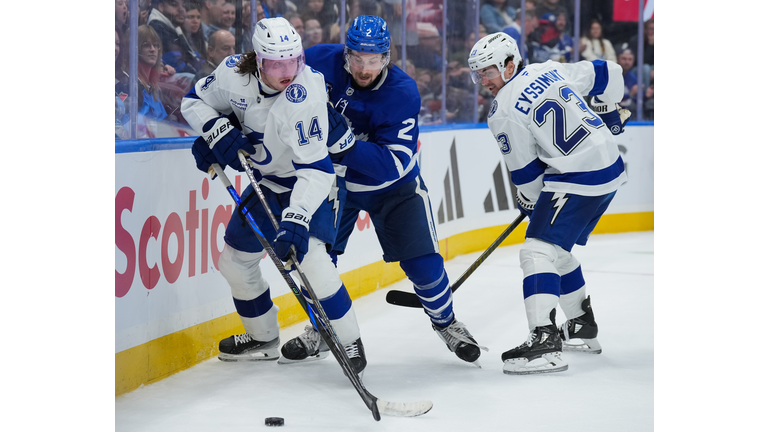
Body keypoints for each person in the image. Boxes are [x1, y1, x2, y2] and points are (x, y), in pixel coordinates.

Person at [180, 17, 367, 373]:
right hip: (267, 183)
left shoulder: (307, 92)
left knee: (313, 263)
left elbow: (316, 170)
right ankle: (262, 337)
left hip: (309, 184)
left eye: (294, 60)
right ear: (259, 61)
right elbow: (193, 101)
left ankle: (350, 342)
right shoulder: (233, 73)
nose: (288, 71)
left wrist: (296, 218)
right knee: (233, 263)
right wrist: (215, 130)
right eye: (277, 64)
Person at [304, 15, 485, 365]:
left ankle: (446, 323)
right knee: (318, 261)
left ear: (387, 57)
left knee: (424, 265)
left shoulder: (402, 92)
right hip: (334, 183)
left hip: (393, 188)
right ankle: (323, 328)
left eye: (373, 60)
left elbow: (391, 163)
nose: (363, 67)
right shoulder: (317, 62)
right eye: (357, 58)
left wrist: (344, 146)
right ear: (346, 52)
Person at [467, 32, 628, 374]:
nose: (484, 81)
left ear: (510, 65)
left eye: (489, 71)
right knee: (557, 250)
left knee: (536, 251)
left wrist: (529, 200)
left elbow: (527, 176)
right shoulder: (549, 69)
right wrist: (611, 110)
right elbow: (609, 71)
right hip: (609, 166)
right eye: (478, 73)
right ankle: (582, 325)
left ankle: (543, 341)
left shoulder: (502, 111)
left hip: (578, 174)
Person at [147, 0, 200, 75]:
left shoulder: (173, 26)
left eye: (183, 5)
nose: (181, 9)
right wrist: (199, 76)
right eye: (174, 4)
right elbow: (174, 63)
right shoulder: (157, 26)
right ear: (161, 7)